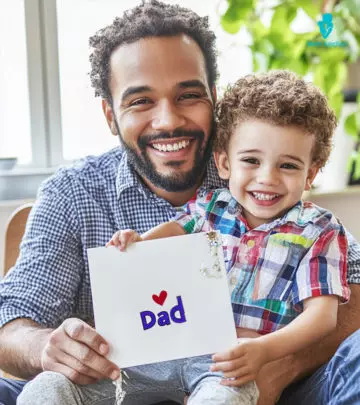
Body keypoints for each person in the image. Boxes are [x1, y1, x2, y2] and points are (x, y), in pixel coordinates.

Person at [0, 1, 359, 405]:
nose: (168, 120)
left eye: (188, 95)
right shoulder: (73, 193)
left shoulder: (251, 169)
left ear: (213, 97)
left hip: (242, 375)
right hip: (122, 382)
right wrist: (48, 346)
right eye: (140, 101)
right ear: (110, 115)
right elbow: (10, 322)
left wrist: (282, 363)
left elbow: (352, 292)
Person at [105, 70, 350, 404]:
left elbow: (322, 317)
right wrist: (139, 242)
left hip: (245, 370)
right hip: (184, 352)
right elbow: (177, 230)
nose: (267, 178)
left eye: (288, 166)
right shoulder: (213, 208)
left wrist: (265, 349)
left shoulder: (318, 230)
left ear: (311, 174)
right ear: (223, 163)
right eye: (251, 160)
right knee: (105, 378)